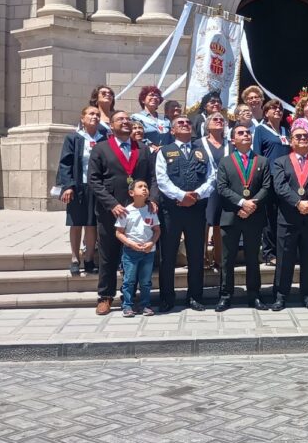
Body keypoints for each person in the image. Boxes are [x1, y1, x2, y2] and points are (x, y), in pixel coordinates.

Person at [88, 110, 157, 315]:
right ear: (111, 125)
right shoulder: (101, 148)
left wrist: (152, 199)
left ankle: (132, 297)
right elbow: (94, 180)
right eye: (120, 119)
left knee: (135, 254)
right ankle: (105, 296)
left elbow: (152, 178)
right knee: (108, 255)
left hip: (138, 212)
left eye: (128, 119)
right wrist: (111, 204)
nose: (125, 121)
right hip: (111, 210)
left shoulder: (142, 149)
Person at [154, 115, 215, 312]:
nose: (185, 124)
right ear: (172, 130)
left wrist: (196, 195)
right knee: (168, 255)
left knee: (196, 255)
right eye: (180, 123)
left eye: (188, 122)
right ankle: (167, 297)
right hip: (171, 211)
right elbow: (161, 180)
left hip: (196, 210)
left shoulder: (201, 152)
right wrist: (181, 196)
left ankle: (195, 296)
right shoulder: (164, 151)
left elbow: (211, 177)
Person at [271, 123, 308, 311]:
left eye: (306, 136)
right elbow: (280, 187)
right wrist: (298, 202)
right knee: (284, 259)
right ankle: (281, 295)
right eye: (298, 136)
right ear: (291, 141)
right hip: (288, 219)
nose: (303, 138)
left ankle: (307, 295)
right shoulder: (281, 162)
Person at [215, 124, 272, 311]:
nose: (246, 135)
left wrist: (251, 205)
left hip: (254, 216)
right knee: (227, 258)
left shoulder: (262, 161)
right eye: (241, 133)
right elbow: (222, 187)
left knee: (253, 258)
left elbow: (266, 187)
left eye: (248, 132)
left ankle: (254, 295)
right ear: (233, 140)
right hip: (231, 215)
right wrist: (241, 203)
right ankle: (225, 295)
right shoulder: (225, 162)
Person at [57, 105, 104, 276]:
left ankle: (89, 259)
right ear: (82, 118)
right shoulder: (73, 138)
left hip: (96, 187)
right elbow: (65, 163)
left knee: (91, 224)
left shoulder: (104, 138)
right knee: (76, 223)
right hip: (77, 186)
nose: (95, 117)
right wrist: (68, 186)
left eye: (97, 115)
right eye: (91, 114)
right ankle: (75, 259)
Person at [114, 180, 160, 317]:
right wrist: (130, 244)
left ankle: (145, 304)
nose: (144, 189)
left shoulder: (151, 210)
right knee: (129, 280)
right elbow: (118, 233)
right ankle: (127, 305)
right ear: (131, 193)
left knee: (146, 281)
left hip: (148, 252)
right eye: (140, 187)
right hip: (130, 252)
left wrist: (151, 243)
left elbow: (157, 230)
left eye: (146, 186)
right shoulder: (126, 211)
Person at [253, 99, 291, 266]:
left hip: (286, 178)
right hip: (270, 178)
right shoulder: (260, 130)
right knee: (270, 216)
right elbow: (257, 154)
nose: (277, 111)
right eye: (273, 108)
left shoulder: (286, 130)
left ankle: (283, 250)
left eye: (280, 108)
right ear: (266, 112)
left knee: (283, 215)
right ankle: (269, 253)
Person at [196, 111, 230, 270]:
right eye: (215, 119)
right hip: (204, 187)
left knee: (219, 222)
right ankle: (202, 257)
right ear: (207, 125)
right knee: (204, 221)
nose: (219, 121)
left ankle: (219, 258)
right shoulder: (198, 143)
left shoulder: (230, 144)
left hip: (225, 187)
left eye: (221, 120)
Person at [131, 86, 171, 150]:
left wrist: (165, 148)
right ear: (143, 100)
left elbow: (171, 137)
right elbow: (134, 135)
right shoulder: (135, 118)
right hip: (145, 151)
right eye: (151, 95)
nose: (155, 97)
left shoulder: (165, 120)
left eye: (157, 96)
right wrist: (151, 145)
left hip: (164, 152)